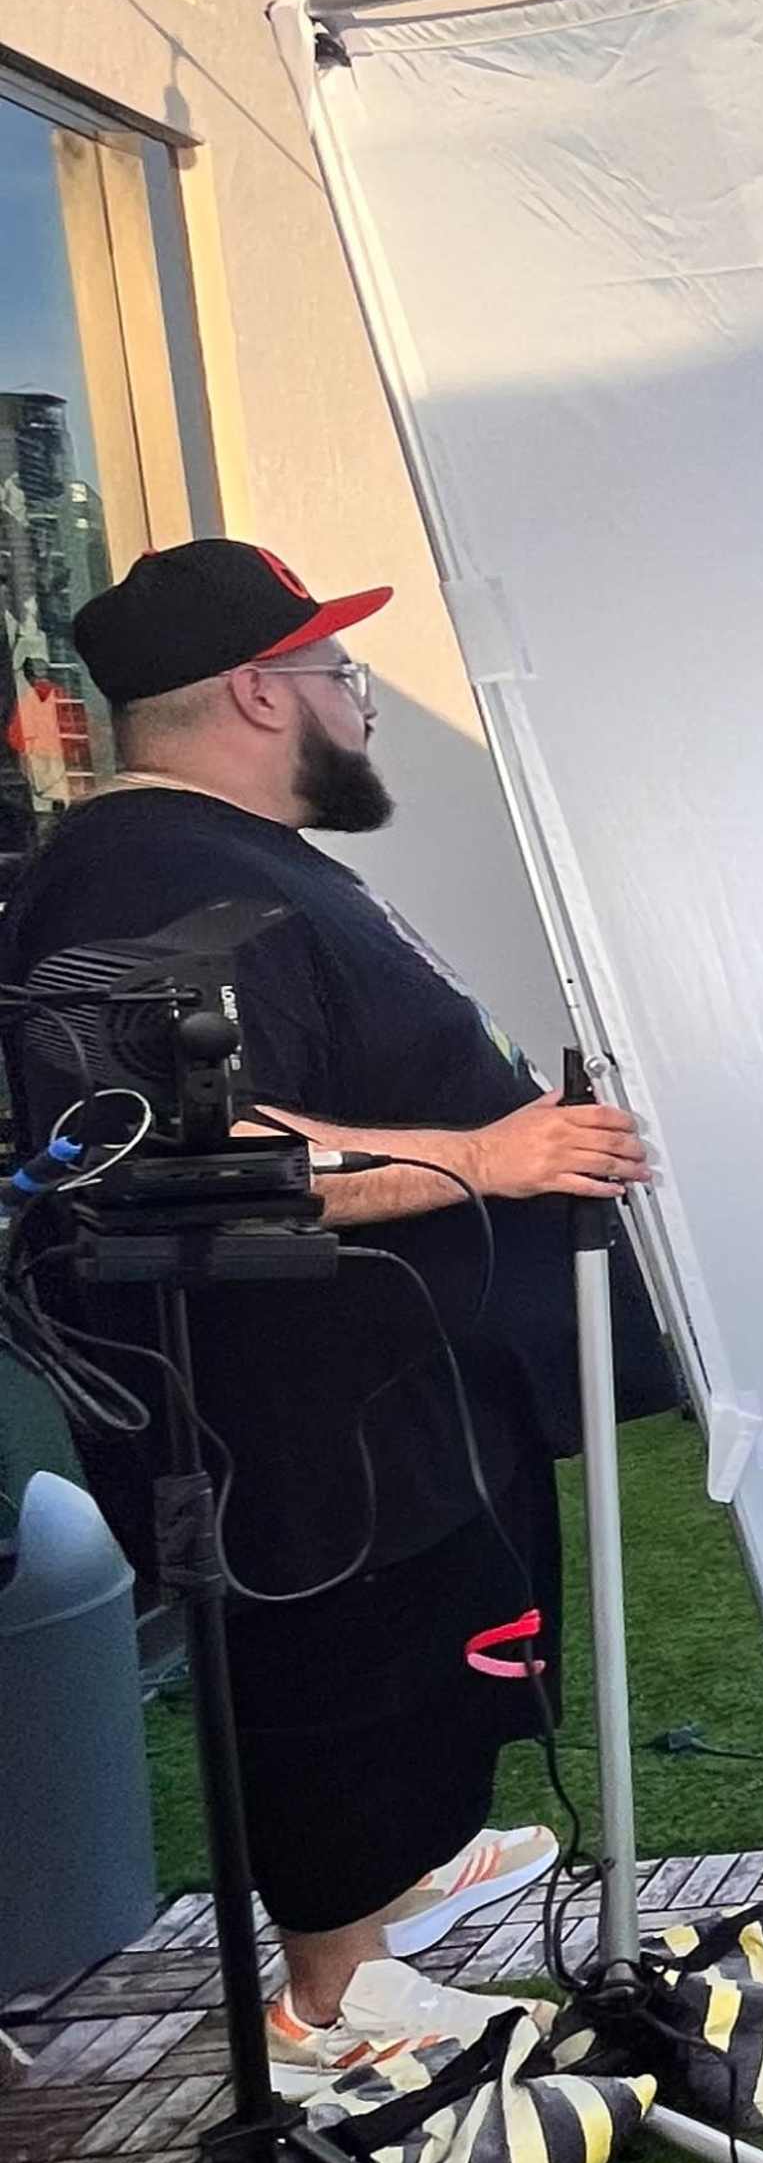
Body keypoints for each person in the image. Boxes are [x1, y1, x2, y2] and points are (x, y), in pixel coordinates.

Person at [0, 539, 654, 2070]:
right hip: (292, 1431)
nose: (355, 707)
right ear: (252, 690)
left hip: (380, 1396)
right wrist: (485, 1155)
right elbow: (166, 1148)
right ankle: (332, 1996)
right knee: (335, 1678)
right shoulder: (145, 874)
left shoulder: (223, 856)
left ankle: (385, 1886)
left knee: (424, 1660)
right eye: (336, 678)